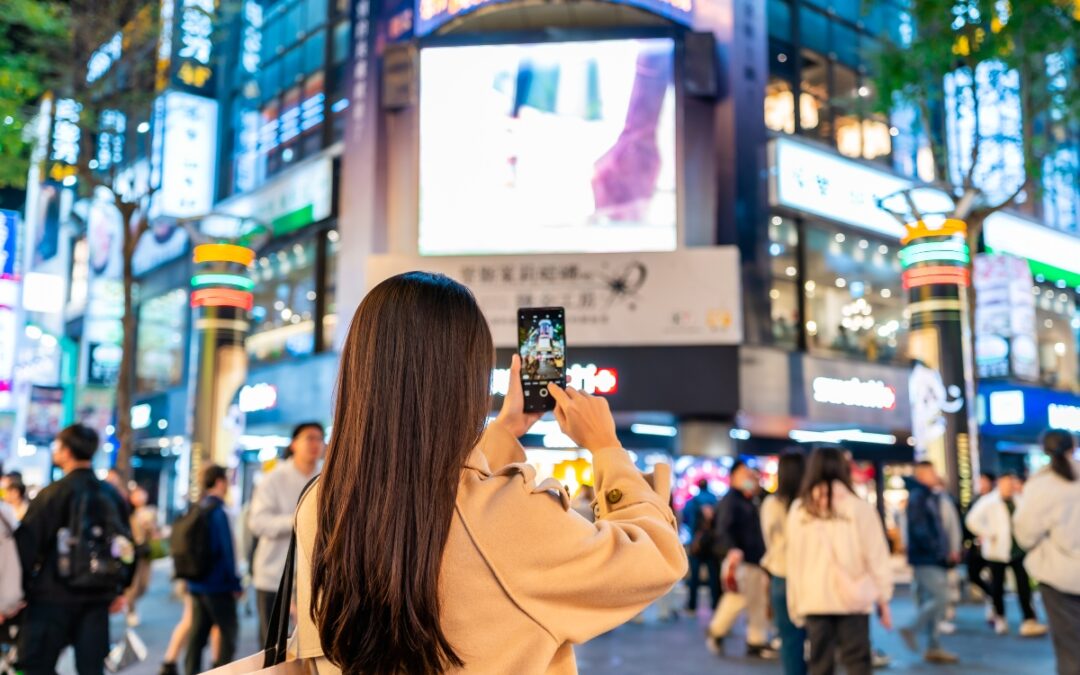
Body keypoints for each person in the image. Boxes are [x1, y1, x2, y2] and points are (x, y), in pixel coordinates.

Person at [293, 272, 686, 674]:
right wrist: (606, 447)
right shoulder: (512, 515)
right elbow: (656, 557)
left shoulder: (320, 504)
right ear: (464, 382)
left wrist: (505, 431)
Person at [14, 424, 132, 675]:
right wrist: (120, 588)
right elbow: (126, 546)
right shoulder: (110, 494)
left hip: (51, 596)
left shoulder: (52, 494)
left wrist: (18, 593)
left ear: (67, 451)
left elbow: (27, 546)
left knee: (37, 666)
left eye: (58, 447)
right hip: (97, 597)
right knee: (91, 669)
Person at [786, 447, 893, 675]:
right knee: (857, 662)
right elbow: (877, 557)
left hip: (813, 598)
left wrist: (794, 603)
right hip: (853, 598)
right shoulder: (858, 508)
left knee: (819, 664)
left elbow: (794, 561)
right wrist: (883, 598)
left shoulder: (799, 510)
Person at [248, 421, 324, 645]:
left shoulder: (327, 478)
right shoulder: (273, 478)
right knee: (272, 646)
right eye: (309, 438)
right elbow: (258, 522)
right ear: (293, 444)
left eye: (319, 439)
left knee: (310, 647)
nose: (315, 444)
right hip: (274, 575)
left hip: (314, 577)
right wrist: (299, 520)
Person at [1014, 429, 1080, 675]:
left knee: (1070, 649)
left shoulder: (1040, 486)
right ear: (1073, 447)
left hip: (1059, 577)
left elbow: (1025, 534)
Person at [966, 471, 1048, 637]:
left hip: (1018, 549)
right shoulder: (989, 501)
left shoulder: (1019, 500)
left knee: (1023, 585)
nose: (1009, 486)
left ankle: (1029, 619)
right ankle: (1000, 617)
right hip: (997, 551)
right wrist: (989, 533)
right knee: (997, 586)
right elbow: (972, 521)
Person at [707, 462, 774, 659]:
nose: (749, 478)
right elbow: (723, 529)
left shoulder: (749, 499)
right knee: (738, 597)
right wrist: (732, 550)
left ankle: (756, 641)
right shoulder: (731, 500)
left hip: (754, 559)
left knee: (756, 601)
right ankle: (716, 631)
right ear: (733, 476)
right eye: (745, 474)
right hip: (740, 560)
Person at [898, 462, 959, 664]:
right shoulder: (919, 498)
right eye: (932, 472)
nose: (936, 476)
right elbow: (920, 530)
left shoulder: (929, 496)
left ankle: (933, 646)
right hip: (927, 558)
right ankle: (912, 627)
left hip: (930, 557)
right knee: (943, 596)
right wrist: (938, 550)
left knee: (931, 599)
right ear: (922, 475)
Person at [184, 465, 241, 675]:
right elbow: (226, 551)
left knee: (197, 636)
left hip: (196, 583)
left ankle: (191, 671)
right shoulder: (218, 512)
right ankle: (223, 672)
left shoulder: (196, 508)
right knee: (229, 633)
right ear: (219, 482)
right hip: (218, 586)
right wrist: (235, 583)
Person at [761, 452, 807, 675]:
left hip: (781, 576)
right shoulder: (809, 504)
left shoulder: (771, 504)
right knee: (818, 639)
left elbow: (768, 540)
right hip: (810, 577)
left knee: (789, 642)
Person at [683, 478, 720, 615]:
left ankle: (692, 606)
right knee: (714, 577)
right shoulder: (715, 500)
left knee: (694, 578)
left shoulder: (693, 501)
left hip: (696, 544)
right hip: (712, 544)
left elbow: (686, 519)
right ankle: (716, 605)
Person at [125, 486, 159, 627]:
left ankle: (130, 604)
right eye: (136, 494)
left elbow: (156, 531)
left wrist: (151, 527)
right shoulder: (128, 513)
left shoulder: (151, 511)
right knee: (134, 584)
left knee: (144, 585)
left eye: (142, 494)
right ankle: (131, 609)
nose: (140, 497)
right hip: (133, 552)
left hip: (147, 552)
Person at [965, 473, 996, 612]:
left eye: (984, 481)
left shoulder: (996, 500)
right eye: (980, 481)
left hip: (994, 543)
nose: (981, 484)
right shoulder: (976, 500)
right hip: (976, 545)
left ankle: (995, 606)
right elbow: (967, 522)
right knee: (973, 574)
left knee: (996, 576)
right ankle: (992, 595)